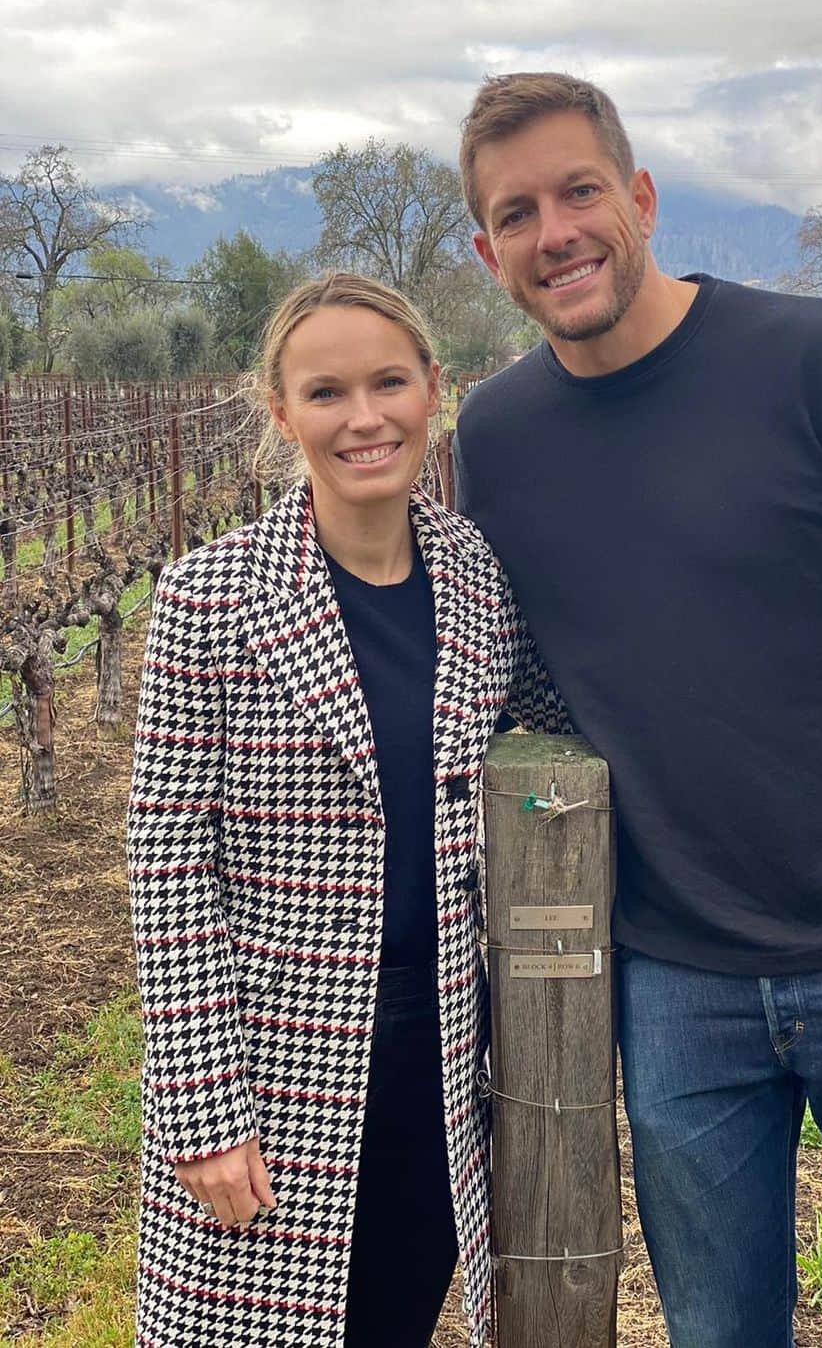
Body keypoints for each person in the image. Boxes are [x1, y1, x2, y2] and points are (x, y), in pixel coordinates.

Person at [453, 73, 822, 1348]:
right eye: (515, 212)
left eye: (579, 191)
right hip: (675, 983)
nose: (555, 232)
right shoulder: (496, 437)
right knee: (719, 1332)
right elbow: (507, 677)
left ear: (641, 197)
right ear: (485, 250)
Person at [126, 272, 563, 1347]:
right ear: (282, 413)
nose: (363, 418)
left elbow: (565, 734)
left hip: (444, 1051)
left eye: (388, 383)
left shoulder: (482, 579)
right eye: (327, 393)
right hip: (273, 1066)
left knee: (396, 1319)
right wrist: (202, 1108)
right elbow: (169, 861)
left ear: (434, 391)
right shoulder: (210, 599)